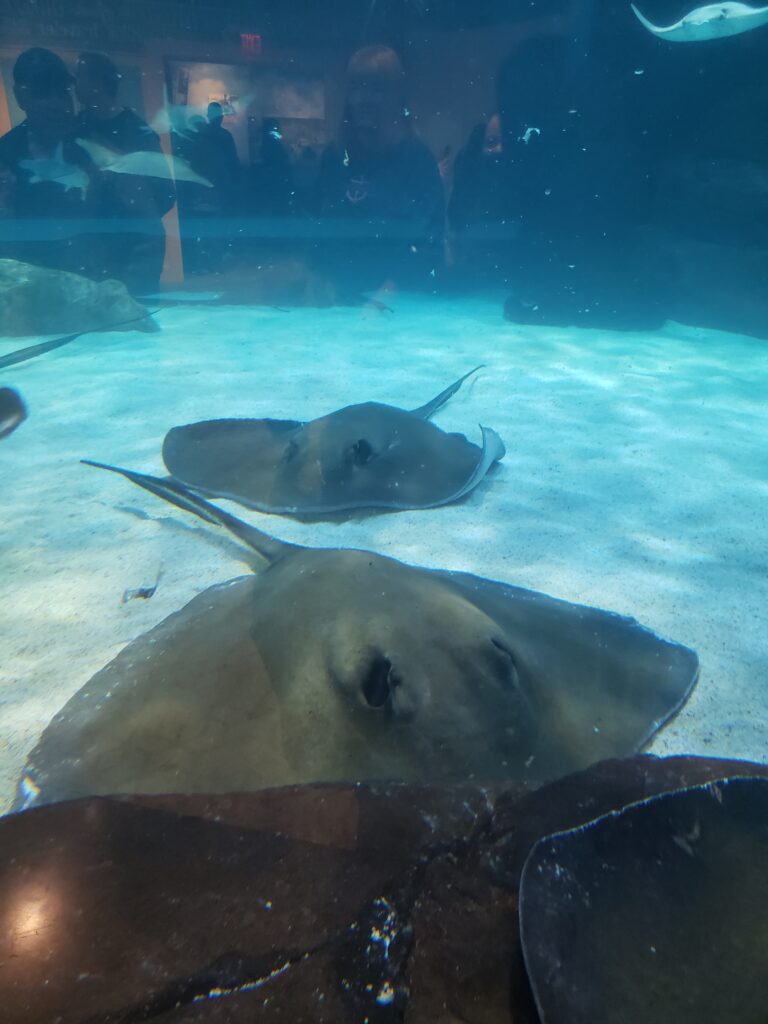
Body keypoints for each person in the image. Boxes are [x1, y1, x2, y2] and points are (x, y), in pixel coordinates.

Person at [314, 44, 444, 294]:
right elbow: (322, 229)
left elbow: (428, 242)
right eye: (356, 87)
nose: (364, 99)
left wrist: (386, 295)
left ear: (396, 94)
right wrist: (319, 280)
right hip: (338, 297)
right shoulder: (335, 156)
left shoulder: (417, 159)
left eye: (376, 88)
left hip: (402, 301)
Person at [75, 51, 174, 292]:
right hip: (95, 241)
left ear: (98, 83)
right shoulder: (77, 127)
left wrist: (135, 213)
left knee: (135, 316)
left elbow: (165, 192)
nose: (74, 86)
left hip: (138, 242)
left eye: (79, 77)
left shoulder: (137, 132)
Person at [0, 48, 98, 276]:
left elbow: (150, 207)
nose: (56, 102)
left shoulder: (94, 148)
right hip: (29, 287)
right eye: (43, 92)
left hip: (95, 284)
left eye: (63, 91)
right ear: (20, 96)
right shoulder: (4, 155)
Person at [447, 113, 513, 284]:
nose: (499, 149)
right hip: (475, 268)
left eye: (507, 143)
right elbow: (456, 216)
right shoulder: (470, 170)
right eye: (491, 142)